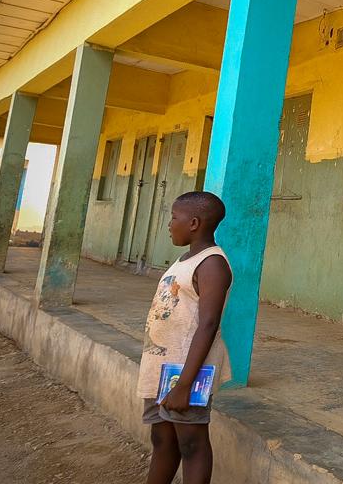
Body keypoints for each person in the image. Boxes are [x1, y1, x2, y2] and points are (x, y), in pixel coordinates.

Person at [136, 191, 232, 484]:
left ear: (193, 222)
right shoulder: (185, 259)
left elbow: (208, 324)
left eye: (173, 217)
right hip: (161, 370)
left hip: (184, 373)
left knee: (192, 443)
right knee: (162, 439)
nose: (169, 223)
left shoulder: (212, 264)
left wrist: (185, 384)